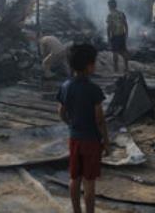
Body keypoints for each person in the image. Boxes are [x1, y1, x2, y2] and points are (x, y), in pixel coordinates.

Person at [56, 44, 110, 213]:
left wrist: (71, 125)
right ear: (89, 66)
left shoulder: (65, 86)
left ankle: (76, 211)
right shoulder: (93, 90)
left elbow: (61, 112)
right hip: (91, 141)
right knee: (89, 182)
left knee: (74, 178)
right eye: (94, 63)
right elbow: (100, 120)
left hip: (75, 139)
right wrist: (106, 141)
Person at [106, 0, 130, 73]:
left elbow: (109, 27)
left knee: (115, 52)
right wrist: (126, 34)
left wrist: (108, 37)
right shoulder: (121, 13)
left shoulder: (110, 15)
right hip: (122, 35)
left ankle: (116, 69)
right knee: (124, 52)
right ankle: (126, 67)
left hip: (115, 36)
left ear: (109, 6)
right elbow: (126, 25)